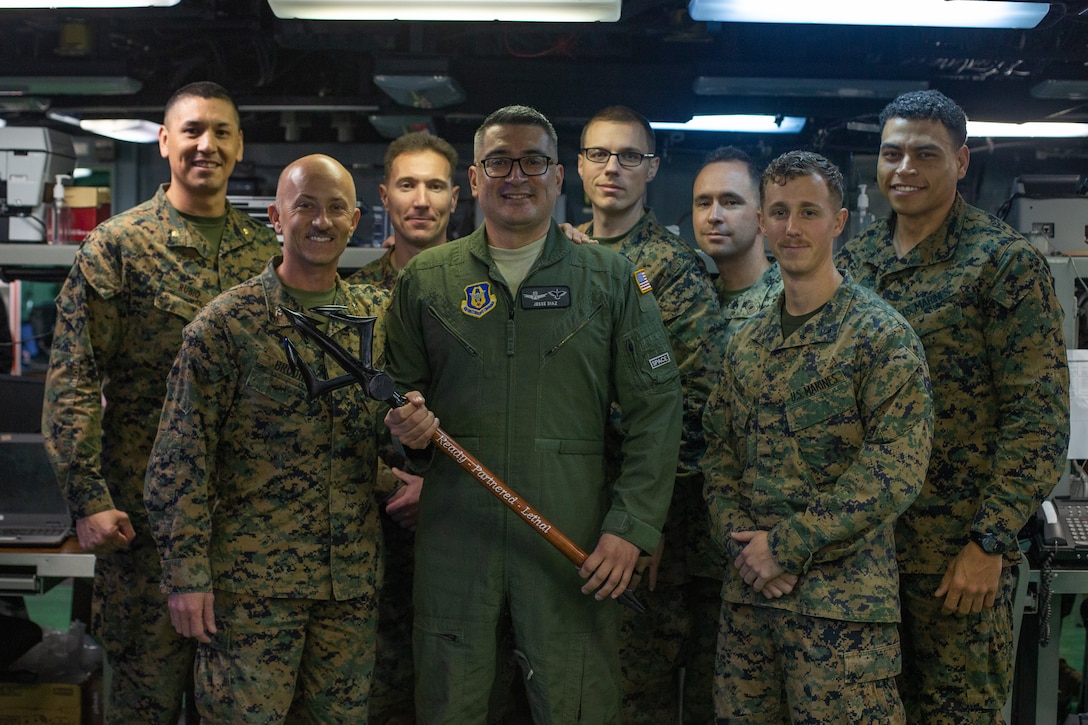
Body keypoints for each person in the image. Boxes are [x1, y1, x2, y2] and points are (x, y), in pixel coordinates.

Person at [382, 104, 683, 724]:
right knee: (450, 706)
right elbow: (394, 406)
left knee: (575, 706)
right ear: (474, 178)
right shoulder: (427, 282)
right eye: (499, 162)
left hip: (570, 542)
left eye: (533, 162)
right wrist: (405, 438)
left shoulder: (610, 280)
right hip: (456, 545)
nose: (516, 175)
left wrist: (631, 526)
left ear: (557, 177)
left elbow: (658, 410)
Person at [41, 81, 279, 725]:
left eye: (222, 132)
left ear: (238, 146)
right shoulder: (118, 247)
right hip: (141, 526)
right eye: (193, 130)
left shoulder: (268, 259)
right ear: (165, 142)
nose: (207, 144)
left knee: (233, 707)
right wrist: (86, 499)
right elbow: (72, 379)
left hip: (242, 533)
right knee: (142, 704)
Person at [836, 89, 1071, 723]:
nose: (904, 168)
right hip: (863, 558)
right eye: (892, 153)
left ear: (961, 162)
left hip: (955, 562)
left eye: (925, 154)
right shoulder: (853, 264)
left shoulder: (1002, 266)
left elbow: (1038, 420)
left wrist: (988, 542)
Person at [144, 154, 392, 722]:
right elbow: (179, 458)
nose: (321, 222)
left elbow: (392, 445)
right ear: (277, 219)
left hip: (348, 586)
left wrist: (415, 442)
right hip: (251, 591)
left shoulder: (377, 320)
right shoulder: (227, 324)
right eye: (305, 206)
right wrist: (186, 576)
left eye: (335, 209)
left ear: (355, 220)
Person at [702, 150, 934, 722]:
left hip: (842, 618)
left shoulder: (880, 336)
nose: (792, 227)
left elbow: (892, 472)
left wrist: (783, 548)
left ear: (839, 221)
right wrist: (742, 545)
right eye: (778, 212)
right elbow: (718, 454)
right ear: (762, 222)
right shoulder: (747, 341)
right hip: (749, 608)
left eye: (809, 212)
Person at [575, 104, 725, 723]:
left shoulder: (672, 271)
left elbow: (696, 405)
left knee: (634, 686)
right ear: (578, 166)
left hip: (637, 519)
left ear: (651, 169)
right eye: (599, 155)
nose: (613, 168)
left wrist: (648, 520)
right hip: (567, 506)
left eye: (629, 157)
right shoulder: (558, 256)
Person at [348, 131, 460, 725]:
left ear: (456, 199)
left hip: (470, 525)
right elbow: (339, 427)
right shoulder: (354, 301)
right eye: (408, 185)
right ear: (385, 195)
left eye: (435, 185)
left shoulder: (488, 292)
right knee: (384, 693)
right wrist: (395, 487)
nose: (422, 199)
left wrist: (440, 491)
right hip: (378, 532)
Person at [692, 145, 783, 337]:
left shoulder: (790, 301)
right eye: (704, 203)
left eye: (731, 202)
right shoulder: (695, 301)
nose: (713, 216)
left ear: (763, 216)